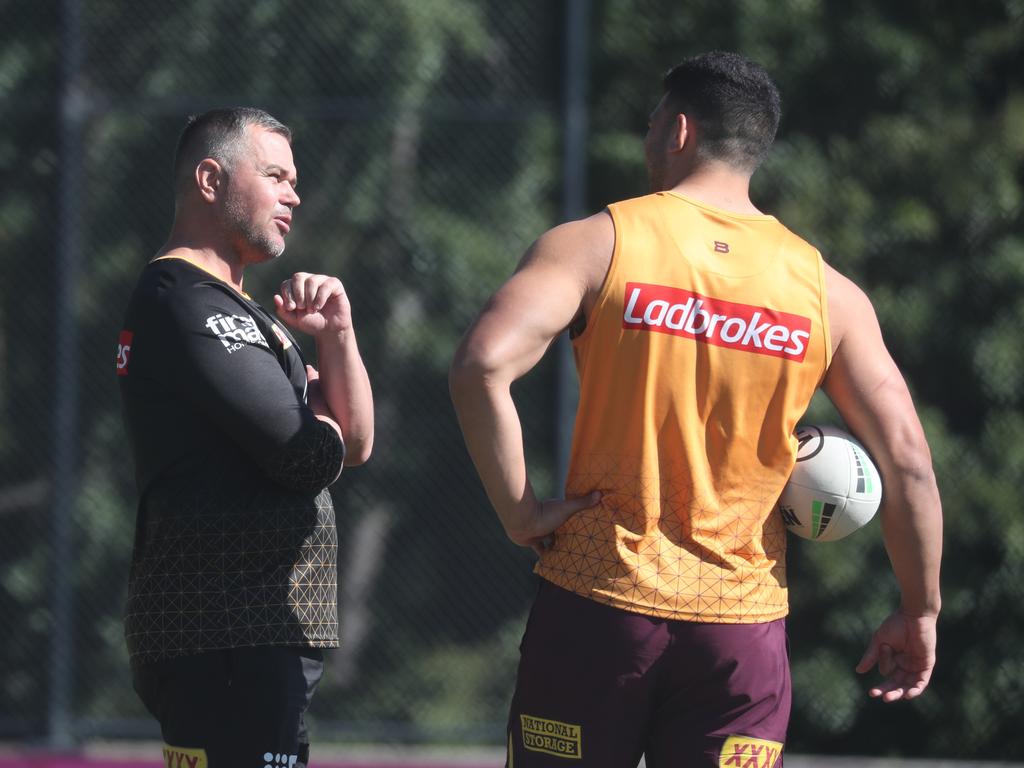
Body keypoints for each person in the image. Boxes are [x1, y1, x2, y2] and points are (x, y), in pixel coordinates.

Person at [450, 52, 942, 767]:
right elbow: (908, 461)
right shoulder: (827, 291)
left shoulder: (598, 243)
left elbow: (481, 364)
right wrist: (920, 606)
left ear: (676, 131)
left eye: (652, 124)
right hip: (739, 631)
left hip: (597, 600)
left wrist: (520, 512)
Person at [116, 107, 373, 768]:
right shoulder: (185, 302)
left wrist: (336, 337)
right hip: (223, 636)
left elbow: (359, 443)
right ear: (210, 179)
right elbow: (309, 455)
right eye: (275, 176)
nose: (295, 194)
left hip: (259, 640)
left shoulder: (241, 310)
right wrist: (316, 413)